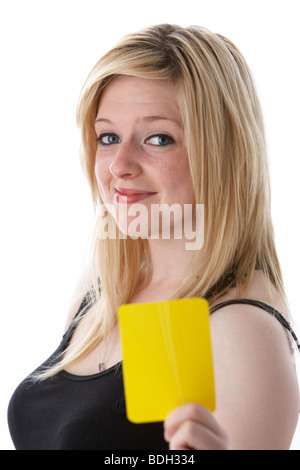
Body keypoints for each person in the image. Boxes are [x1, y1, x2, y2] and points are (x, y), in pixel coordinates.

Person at [8, 23, 300, 450]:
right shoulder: (101, 287)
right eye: (108, 137)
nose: (119, 165)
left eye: (158, 139)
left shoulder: (240, 330)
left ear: (221, 153)